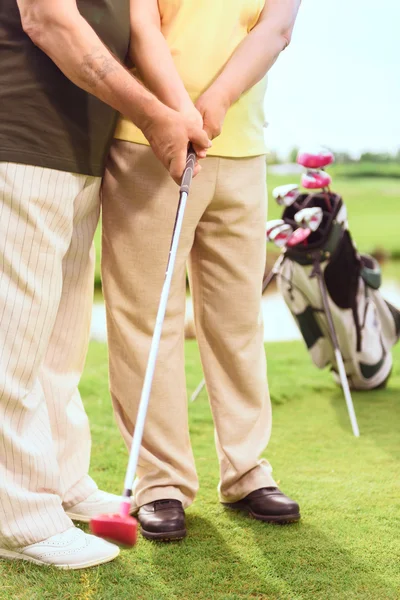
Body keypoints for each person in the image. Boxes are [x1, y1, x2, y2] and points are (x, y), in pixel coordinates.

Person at [0, 0, 210, 569]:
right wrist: (155, 115)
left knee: (57, 349)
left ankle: (62, 483)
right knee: (12, 348)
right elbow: (47, 19)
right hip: (19, 139)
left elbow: (139, 29)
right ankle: (18, 519)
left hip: (80, 152)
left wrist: (180, 111)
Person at [101, 0, 302, 542]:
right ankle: (161, 482)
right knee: (147, 319)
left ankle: (245, 470)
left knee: (237, 320)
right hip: (148, 139)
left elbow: (276, 28)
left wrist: (214, 103)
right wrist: (177, 112)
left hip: (241, 146)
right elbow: (142, 25)